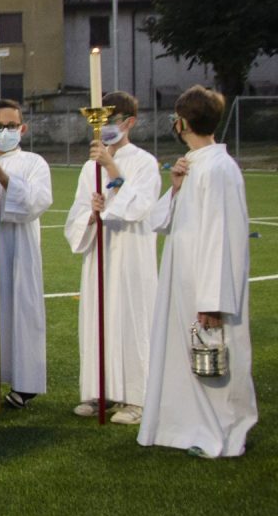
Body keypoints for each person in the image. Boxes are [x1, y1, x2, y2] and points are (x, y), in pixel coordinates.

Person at [139, 87, 257, 458]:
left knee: (217, 356)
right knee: (185, 355)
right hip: (183, 276)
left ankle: (225, 433)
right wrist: (174, 188)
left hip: (207, 281)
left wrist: (214, 299)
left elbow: (223, 236)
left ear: (183, 122)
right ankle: (186, 425)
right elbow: (160, 222)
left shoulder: (220, 168)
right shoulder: (193, 164)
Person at [64, 91, 159, 424]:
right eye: (101, 121)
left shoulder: (145, 162)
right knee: (97, 317)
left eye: (112, 121)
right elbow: (76, 211)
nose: (105, 128)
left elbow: (139, 207)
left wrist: (111, 168)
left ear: (129, 122)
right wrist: (89, 216)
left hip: (131, 254)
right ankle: (98, 391)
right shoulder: (89, 166)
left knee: (130, 318)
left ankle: (135, 397)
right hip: (99, 253)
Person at [0, 99, 52, 408]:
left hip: (19, 248)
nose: (4, 131)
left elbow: (37, 202)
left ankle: (24, 383)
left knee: (21, 309)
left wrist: (4, 177)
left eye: (10, 126)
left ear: (22, 128)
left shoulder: (33, 163)